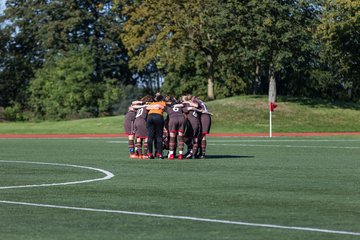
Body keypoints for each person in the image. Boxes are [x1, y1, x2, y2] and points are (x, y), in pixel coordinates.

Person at [164, 96, 186, 160]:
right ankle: (180, 154)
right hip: (181, 119)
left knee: (172, 137)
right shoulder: (180, 106)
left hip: (173, 119)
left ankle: (171, 154)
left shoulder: (167, 106)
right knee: (180, 137)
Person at [146, 94, 166, 159]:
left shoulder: (152, 103)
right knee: (159, 136)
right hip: (158, 116)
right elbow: (165, 108)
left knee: (150, 136)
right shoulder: (163, 103)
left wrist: (153, 107)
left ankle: (150, 154)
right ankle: (160, 154)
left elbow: (147, 107)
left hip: (150, 117)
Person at [181, 94, 201, 159]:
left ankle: (192, 151)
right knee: (194, 138)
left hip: (193, 125)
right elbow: (196, 106)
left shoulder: (185, 105)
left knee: (185, 138)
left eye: (182, 100)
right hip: (197, 124)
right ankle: (192, 154)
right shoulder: (192, 104)